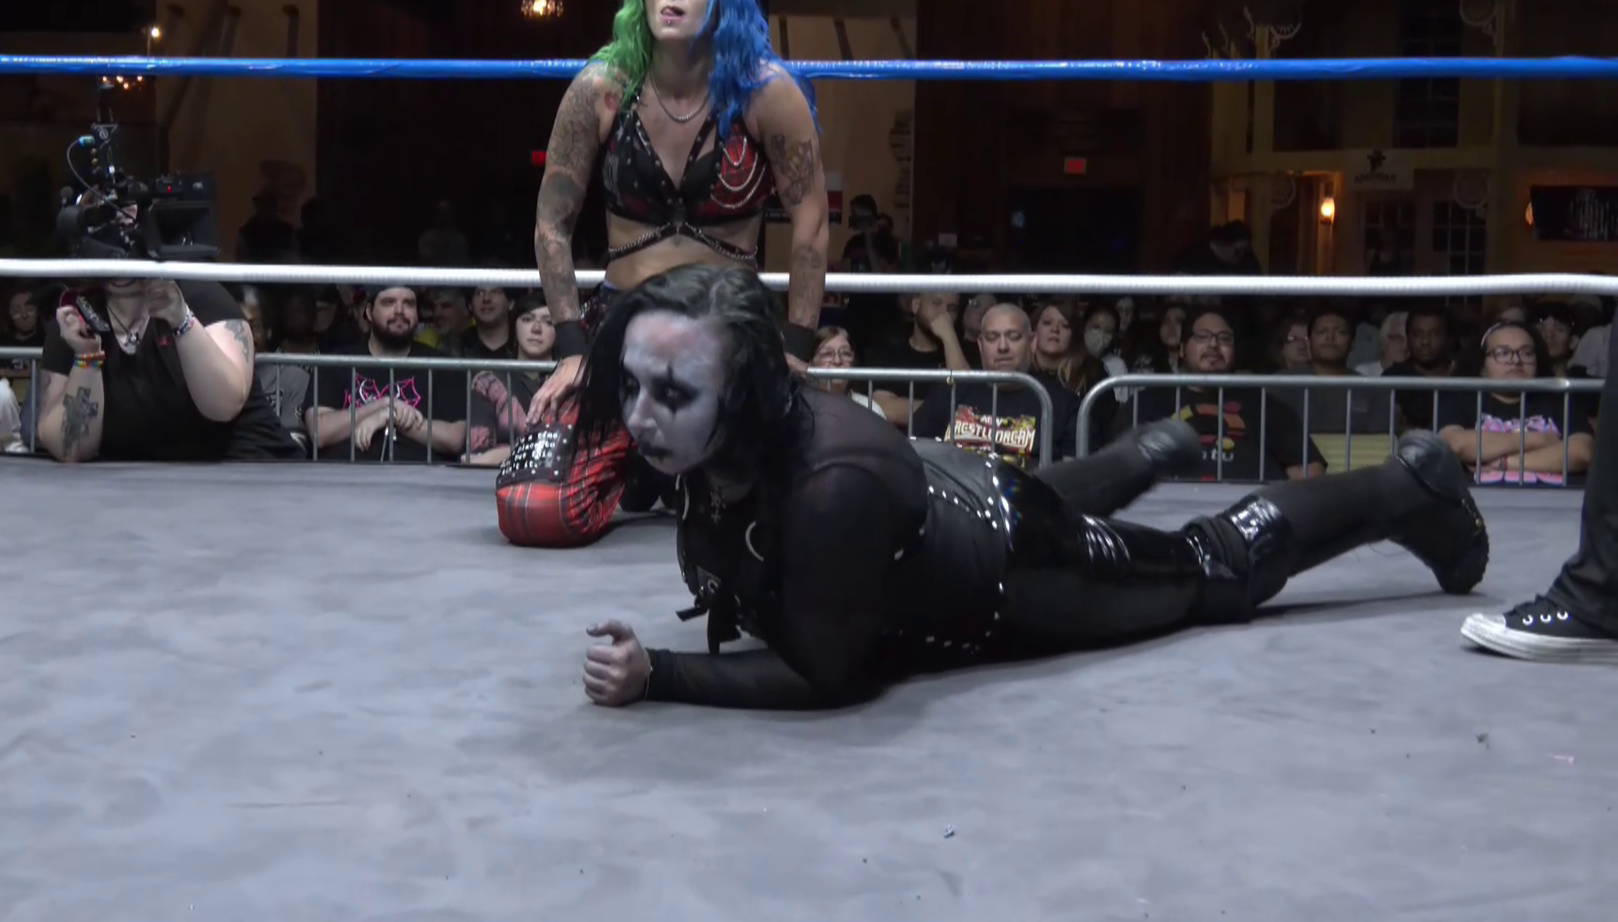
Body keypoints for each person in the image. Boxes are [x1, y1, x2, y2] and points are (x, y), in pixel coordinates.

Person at [571, 266, 1491, 711]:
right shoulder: (714, 430)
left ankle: (1411, 484)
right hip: (951, 493)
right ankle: (1144, 453)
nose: (640, 416)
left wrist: (662, 674)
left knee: (1212, 565)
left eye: (672, 393)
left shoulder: (828, 490)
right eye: (633, 385)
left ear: (744, 390)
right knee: (1032, 491)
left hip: (1016, 563)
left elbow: (826, 671)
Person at [500, 0, 832, 549]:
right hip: (623, 322)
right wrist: (571, 348)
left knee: (797, 514)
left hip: (727, 328)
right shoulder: (602, 87)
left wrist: (795, 348)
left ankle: (685, 470)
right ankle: (643, 465)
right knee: (534, 508)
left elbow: (812, 223)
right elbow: (551, 220)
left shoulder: (766, 92)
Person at [1461, 313, 1618, 663]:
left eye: (1525, 353)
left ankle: (1599, 604)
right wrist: (1539, 441)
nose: (1515, 361)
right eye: (1503, 353)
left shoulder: (1556, 401)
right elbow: (1456, 444)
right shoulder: (1464, 398)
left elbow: (1580, 451)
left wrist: (1503, 462)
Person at [39, 275, 297, 462]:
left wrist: (181, 319)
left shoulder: (200, 295)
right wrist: (87, 357)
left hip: (244, 466)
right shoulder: (76, 316)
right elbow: (69, 448)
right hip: (141, 487)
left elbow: (224, 406)